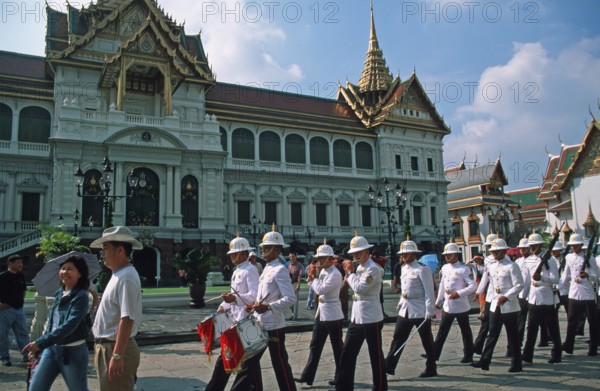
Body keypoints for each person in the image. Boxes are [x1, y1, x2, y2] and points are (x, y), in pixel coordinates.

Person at [22, 255, 91, 390]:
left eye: (70, 269)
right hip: (51, 350)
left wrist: (40, 343)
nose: (65, 272)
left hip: (72, 352)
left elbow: (69, 325)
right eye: (63, 268)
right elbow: (51, 323)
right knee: (35, 388)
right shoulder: (59, 293)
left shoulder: (81, 296)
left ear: (80, 273)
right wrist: (41, 345)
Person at [242, 225, 297, 391]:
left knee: (280, 364)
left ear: (277, 250)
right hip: (260, 323)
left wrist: (268, 307)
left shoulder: (280, 270)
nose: (263, 251)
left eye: (267, 248)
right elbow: (263, 294)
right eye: (263, 248)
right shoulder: (266, 268)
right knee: (249, 363)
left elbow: (290, 298)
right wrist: (254, 305)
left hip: (274, 326)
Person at [90, 226, 143, 391]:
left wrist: (118, 355)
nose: (103, 254)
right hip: (107, 347)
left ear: (120, 251)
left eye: (106, 249)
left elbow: (127, 319)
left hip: (115, 347)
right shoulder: (119, 274)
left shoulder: (126, 276)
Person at [204, 236, 260, 390]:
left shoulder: (251, 270)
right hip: (235, 319)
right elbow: (233, 294)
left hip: (245, 320)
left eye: (234, 254)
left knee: (227, 359)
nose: (231, 256)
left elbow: (254, 296)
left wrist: (233, 299)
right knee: (249, 364)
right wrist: (223, 305)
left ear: (243, 254)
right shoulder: (237, 270)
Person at [333, 233, 387, 391]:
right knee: (347, 354)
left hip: (371, 317)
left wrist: (349, 273)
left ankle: (380, 387)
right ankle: (343, 387)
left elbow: (360, 288)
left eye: (358, 252)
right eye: (353, 253)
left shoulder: (373, 269)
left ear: (367, 252)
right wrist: (350, 275)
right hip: (357, 317)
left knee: (375, 356)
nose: (355, 255)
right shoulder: (360, 268)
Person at [385, 240, 437, 378]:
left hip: (420, 309)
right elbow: (405, 289)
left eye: (406, 254)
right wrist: (401, 302)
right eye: (402, 254)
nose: (403, 256)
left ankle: (431, 367)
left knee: (426, 340)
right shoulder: (404, 268)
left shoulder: (422, 269)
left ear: (414, 254)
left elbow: (429, 292)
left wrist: (429, 311)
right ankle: (389, 365)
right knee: (398, 338)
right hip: (406, 308)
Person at [471, 238, 524, 373]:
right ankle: (485, 360)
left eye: (497, 251)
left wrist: (507, 296)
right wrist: (479, 291)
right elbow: (487, 280)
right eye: (493, 252)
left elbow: (519, 285)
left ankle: (516, 363)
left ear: (504, 251)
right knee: (492, 333)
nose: (495, 254)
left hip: (510, 305)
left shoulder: (512, 266)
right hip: (495, 303)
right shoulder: (492, 266)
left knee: (513, 336)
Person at [295, 241, 343, 386]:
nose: (320, 261)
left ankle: (341, 377)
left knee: (337, 347)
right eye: (319, 258)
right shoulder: (323, 271)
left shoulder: (335, 274)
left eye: (323, 258)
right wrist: (311, 278)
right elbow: (316, 287)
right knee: (315, 345)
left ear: (330, 259)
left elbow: (321, 290)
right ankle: (307, 376)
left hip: (332, 313)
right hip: (322, 312)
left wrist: (312, 278)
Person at [521, 234, 562, 364]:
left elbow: (556, 279)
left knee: (553, 329)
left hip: (547, 298)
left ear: (540, 245)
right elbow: (527, 281)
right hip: (533, 298)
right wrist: (523, 296)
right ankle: (527, 355)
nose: (532, 248)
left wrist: (542, 278)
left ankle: (557, 354)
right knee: (531, 329)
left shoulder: (549, 260)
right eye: (531, 246)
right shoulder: (528, 260)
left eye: (534, 245)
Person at [433, 243, 477, 364]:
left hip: (461, 305)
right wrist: (438, 301)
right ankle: (434, 354)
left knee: (465, 331)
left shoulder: (464, 269)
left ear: (456, 254)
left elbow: (473, 286)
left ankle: (468, 355)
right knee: (442, 330)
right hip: (448, 305)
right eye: (446, 255)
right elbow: (442, 285)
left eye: (450, 254)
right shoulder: (445, 268)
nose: (447, 257)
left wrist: (459, 293)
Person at [560, 233, 599, 356]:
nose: (573, 248)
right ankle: (569, 345)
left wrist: (588, 275)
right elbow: (565, 274)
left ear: (581, 245)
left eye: (575, 245)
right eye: (571, 246)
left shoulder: (589, 258)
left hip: (587, 293)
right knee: (571, 320)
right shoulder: (569, 257)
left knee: (592, 322)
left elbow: (597, 276)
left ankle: (593, 347)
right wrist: (559, 287)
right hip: (574, 292)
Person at [0, 254, 30, 366]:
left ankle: (27, 355)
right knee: (3, 335)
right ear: (10, 263)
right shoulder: (2, 277)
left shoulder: (21, 276)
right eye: (18, 262)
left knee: (22, 333)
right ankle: (4, 357)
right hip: (5, 310)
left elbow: (23, 291)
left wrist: (21, 302)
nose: (21, 265)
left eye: (21, 262)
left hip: (19, 309)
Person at [514, 236, 532, 348]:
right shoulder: (517, 261)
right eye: (521, 248)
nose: (522, 250)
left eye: (524, 248)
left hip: (531, 294)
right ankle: (518, 342)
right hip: (520, 294)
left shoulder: (533, 260)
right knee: (520, 320)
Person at [287, 252, 302, 319]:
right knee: (289, 300)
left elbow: (300, 275)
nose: (291, 258)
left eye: (293, 256)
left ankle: (295, 315)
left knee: (295, 300)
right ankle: (293, 313)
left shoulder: (299, 265)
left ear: (296, 256)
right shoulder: (289, 265)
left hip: (295, 283)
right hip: (290, 284)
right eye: (290, 257)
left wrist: (298, 285)